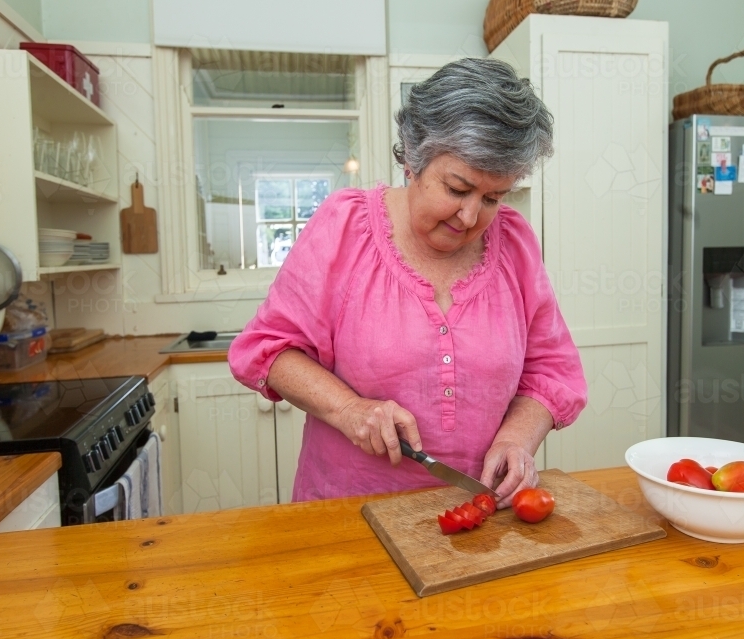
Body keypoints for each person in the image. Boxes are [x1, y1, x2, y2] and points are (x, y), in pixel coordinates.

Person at [229, 58, 587, 507]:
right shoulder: (344, 228)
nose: (471, 216)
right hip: (349, 514)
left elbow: (551, 370)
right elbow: (268, 349)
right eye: (457, 189)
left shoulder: (513, 242)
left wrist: (517, 439)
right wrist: (348, 409)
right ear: (413, 159)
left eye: (493, 197)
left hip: (479, 517)